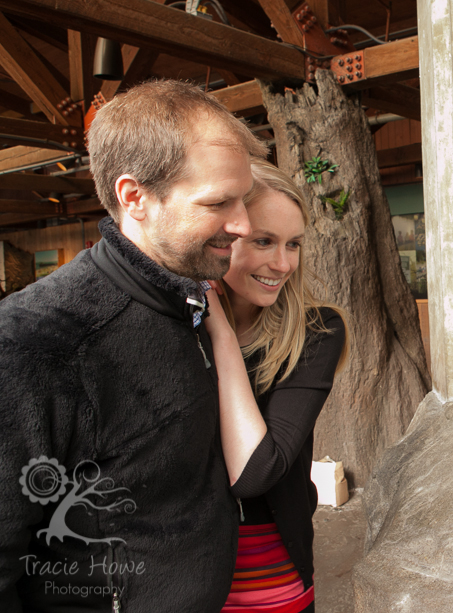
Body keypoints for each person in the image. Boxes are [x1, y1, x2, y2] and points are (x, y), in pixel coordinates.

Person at [0, 80, 267, 612]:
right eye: (218, 203)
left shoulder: (190, 299)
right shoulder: (34, 343)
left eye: (244, 199)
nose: (243, 224)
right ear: (134, 197)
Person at [204, 158, 347, 613]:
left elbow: (259, 471)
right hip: (181, 563)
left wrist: (221, 334)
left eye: (294, 244)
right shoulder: (171, 323)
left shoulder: (317, 330)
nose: (283, 264)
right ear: (220, 237)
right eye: (263, 241)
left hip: (269, 567)